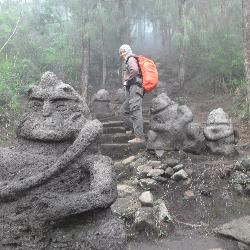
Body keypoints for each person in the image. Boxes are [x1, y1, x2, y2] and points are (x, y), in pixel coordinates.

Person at [119, 44, 145, 144]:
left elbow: (134, 70)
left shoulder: (130, 58)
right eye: (120, 52)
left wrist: (126, 80)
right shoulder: (127, 60)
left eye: (123, 51)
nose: (122, 54)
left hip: (135, 87)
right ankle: (132, 128)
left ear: (128, 50)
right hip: (132, 89)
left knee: (135, 110)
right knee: (123, 111)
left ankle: (139, 137)